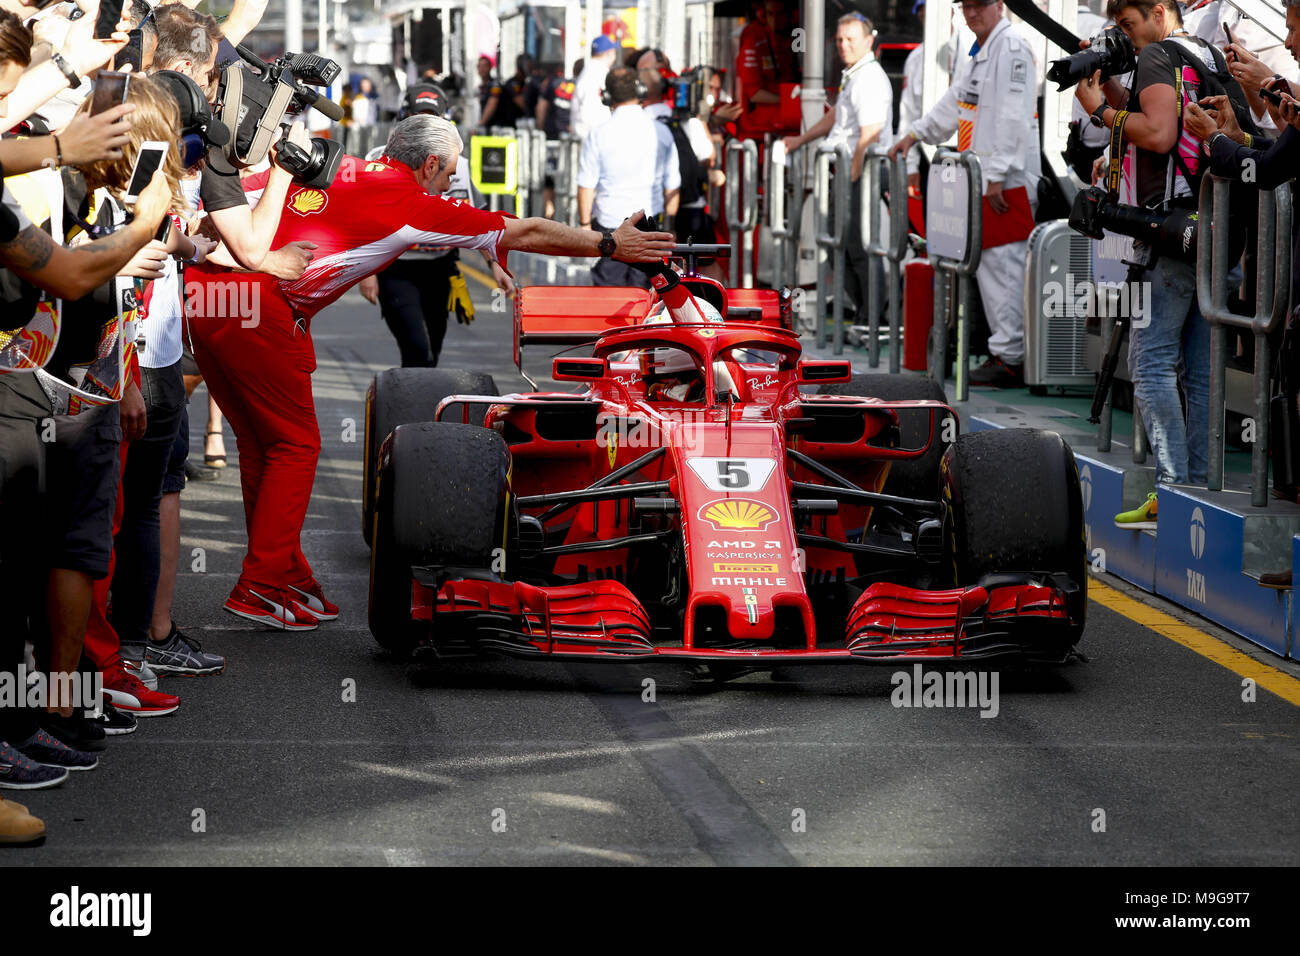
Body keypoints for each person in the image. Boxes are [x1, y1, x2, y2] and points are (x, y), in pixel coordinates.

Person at [186, 114, 674, 631]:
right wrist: (608, 244)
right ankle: (260, 584)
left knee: (266, 444)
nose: (448, 187)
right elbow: (526, 228)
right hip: (264, 307)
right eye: (448, 175)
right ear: (431, 164)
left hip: (208, 294)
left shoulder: (340, 165)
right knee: (295, 446)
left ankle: (286, 575)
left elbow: (227, 193)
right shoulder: (414, 202)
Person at [1074, 0, 1232, 522]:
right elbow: (1159, 118)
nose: (1126, 36)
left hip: (1170, 234)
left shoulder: (1158, 54)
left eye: (1129, 24)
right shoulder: (1207, 53)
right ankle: (1201, 493)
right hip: (1215, 227)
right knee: (1201, 369)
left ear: (1159, 11)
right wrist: (1112, 94)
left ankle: (1171, 486)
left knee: (1151, 364)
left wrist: (1100, 111)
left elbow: (1160, 134)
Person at [891, 0, 1041, 388]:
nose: (972, 13)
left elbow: (1014, 115)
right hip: (988, 176)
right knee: (991, 265)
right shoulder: (983, 50)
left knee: (1003, 266)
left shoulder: (1010, 48)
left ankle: (1010, 358)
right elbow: (957, 104)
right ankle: (1005, 352)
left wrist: (995, 175)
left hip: (1002, 181)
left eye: (979, 5)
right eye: (967, 6)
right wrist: (914, 134)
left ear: (999, 6)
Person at [357, 82, 513, 367]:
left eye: (433, 121)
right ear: (403, 120)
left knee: (433, 352)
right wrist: (365, 273)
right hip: (395, 267)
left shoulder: (459, 165)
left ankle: (421, 404)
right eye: (418, 120)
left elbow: (479, 219)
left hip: (440, 265)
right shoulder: (378, 160)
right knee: (417, 350)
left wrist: (495, 265)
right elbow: (362, 219)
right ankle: (412, 405)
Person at [785, 14, 894, 333]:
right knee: (840, 245)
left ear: (868, 41)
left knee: (858, 247)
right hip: (850, 172)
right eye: (840, 40)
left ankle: (873, 318)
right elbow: (838, 116)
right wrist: (801, 139)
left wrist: (853, 179)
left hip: (860, 172)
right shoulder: (856, 75)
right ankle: (867, 315)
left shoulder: (869, 78)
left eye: (851, 40)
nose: (844, 46)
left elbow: (870, 133)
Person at [577, 67, 680, 287]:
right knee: (648, 302)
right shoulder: (662, 132)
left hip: (609, 232)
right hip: (649, 231)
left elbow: (586, 184)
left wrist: (585, 226)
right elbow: (672, 186)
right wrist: (669, 229)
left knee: (609, 304)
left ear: (606, 97)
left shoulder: (598, 134)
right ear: (640, 91)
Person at [570, 35, 619, 139]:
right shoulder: (597, 72)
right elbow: (590, 110)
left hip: (588, 134)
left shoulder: (591, 70)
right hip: (593, 135)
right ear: (609, 53)